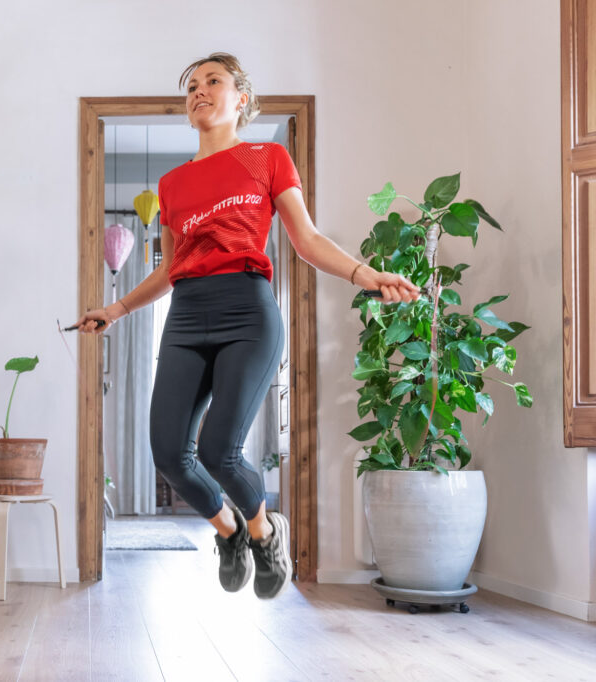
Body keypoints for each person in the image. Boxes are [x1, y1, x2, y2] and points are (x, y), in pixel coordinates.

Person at [75, 52, 419, 599]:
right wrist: (114, 309)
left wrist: (365, 274)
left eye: (214, 81)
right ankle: (230, 531)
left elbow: (304, 239)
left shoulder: (267, 158)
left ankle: (265, 531)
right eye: (192, 86)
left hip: (247, 310)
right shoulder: (172, 183)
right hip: (186, 313)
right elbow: (168, 268)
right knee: (168, 453)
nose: (199, 91)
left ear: (241, 99)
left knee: (219, 451)